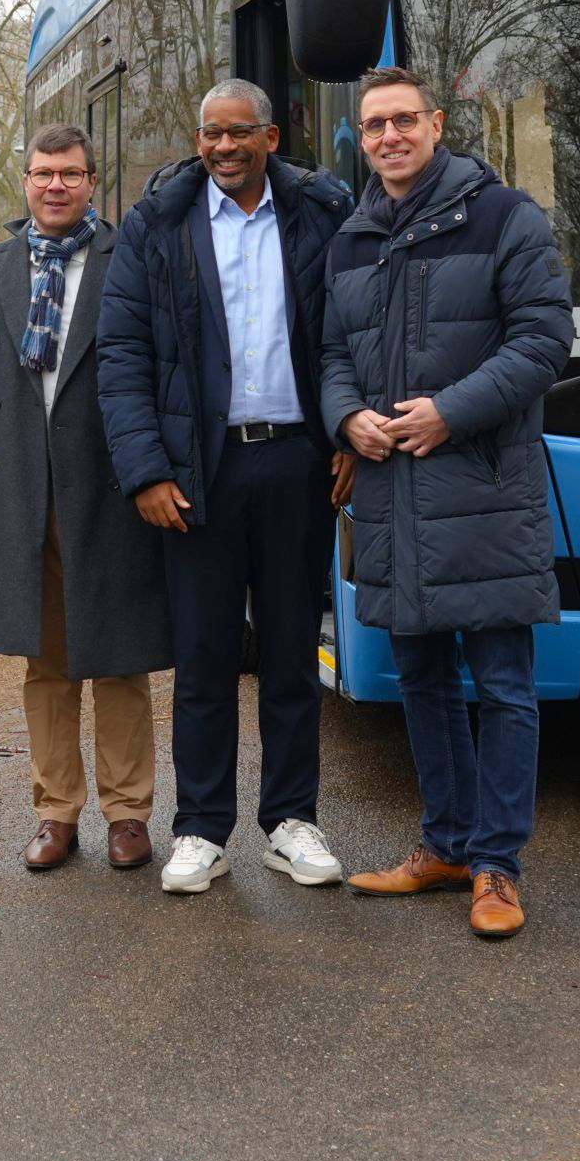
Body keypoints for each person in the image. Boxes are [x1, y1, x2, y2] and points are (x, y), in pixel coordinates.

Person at [321, 68, 571, 940]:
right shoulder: (350, 240)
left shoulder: (505, 217)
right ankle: (447, 846)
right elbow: (332, 354)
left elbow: (544, 340)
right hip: (392, 492)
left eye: (404, 120)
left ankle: (498, 866)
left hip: (485, 491)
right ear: (361, 139)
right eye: (374, 126)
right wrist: (346, 416)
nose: (389, 136)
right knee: (421, 682)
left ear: (435, 125)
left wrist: (450, 412)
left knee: (503, 686)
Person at [95, 78, 354, 897]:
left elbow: (356, 333)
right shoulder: (158, 223)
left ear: (270, 139)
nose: (223, 147)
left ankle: (291, 821)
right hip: (197, 473)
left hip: (297, 463)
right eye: (211, 133)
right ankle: (201, 829)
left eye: (240, 132)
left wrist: (350, 435)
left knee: (290, 656)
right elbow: (122, 354)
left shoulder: (321, 213)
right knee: (204, 660)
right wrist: (146, 470)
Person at [0, 125, 171, 872]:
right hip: (20, 486)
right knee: (45, 661)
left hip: (109, 487)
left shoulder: (128, 256)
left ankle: (128, 813)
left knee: (119, 658)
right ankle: (56, 811)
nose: (56, 185)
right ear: (25, 181)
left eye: (70, 174)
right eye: (43, 173)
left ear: (91, 182)